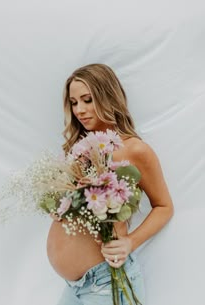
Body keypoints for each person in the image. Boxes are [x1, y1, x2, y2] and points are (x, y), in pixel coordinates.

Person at [47, 63, 174, 305]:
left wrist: (130, 242)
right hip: (74, 287)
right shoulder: (79, 148)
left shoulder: (135, 149)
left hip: (106, 284)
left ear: (107, 96)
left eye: (87, 99)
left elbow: (164, 206)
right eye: (74, 103)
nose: (79, 110)